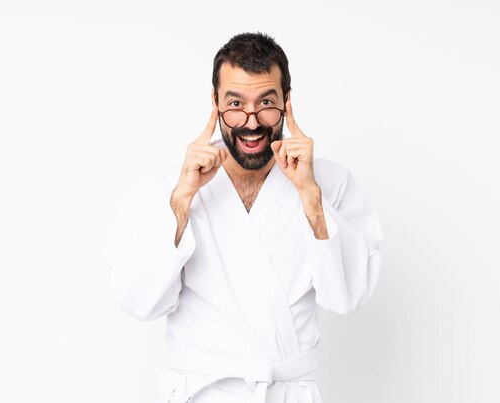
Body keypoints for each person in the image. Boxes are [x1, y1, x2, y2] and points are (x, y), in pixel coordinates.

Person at [105, 32, 384, 403]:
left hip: (286, 393)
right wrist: (182, 201)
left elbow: (348, 297)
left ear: (286, 102)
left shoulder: (328, 184)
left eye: (266, 102)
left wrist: (311, 199)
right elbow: (139, 302)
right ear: (215, 102)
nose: (250, 121)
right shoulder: (168, 188)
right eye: (235, 103)